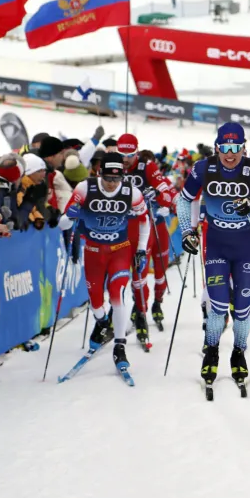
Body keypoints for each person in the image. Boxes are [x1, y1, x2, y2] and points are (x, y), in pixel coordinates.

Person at [176, 123, 250, 391]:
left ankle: (238, 352)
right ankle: (211, 350)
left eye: (235, 148)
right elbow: (183, 200)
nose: (230, 154)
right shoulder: (203, 168)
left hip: (245, 246)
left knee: (243, 309)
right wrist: (187, 231)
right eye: (225, 148)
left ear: (243, 148)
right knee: (218, 307)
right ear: (217, 147)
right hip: (217, 244)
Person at [60, 152, 150, 374]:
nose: (111, 184)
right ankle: (102, 323)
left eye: (116, 179)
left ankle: (119, 346)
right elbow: (63, 224)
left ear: (123, 176)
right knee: (96, 303)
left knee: (117, 294)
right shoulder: (84, 188)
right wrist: (69, 216)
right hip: (93, 251)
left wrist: (140, 250)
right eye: (108, 178)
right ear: (100, 174)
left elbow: (144, 221)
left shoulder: (132, 192)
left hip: (119, 250)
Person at [117, 133, 177, 339]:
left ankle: (157, 303)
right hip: (124, 227)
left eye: (130, 155)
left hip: (153, 225)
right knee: (133, 275)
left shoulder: (148, 167)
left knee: (159, 271)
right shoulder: (112, 165)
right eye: (121, 154)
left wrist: (160, 198)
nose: (125, 159)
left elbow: (169, 194)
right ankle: (138, 309)